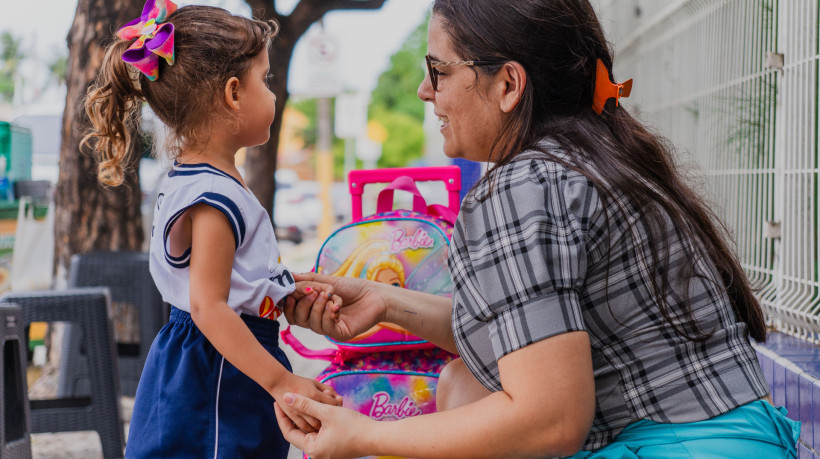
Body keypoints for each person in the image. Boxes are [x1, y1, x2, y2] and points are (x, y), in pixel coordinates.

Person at [274, 0, 802, 458]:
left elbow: (551, 419)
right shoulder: (596, 157)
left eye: (437, 71)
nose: (423, 91)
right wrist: (384, 304)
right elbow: (531, 333)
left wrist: (365, 434)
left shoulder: (519, 188)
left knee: (466, 389)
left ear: (508, 84)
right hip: (748, 438)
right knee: (464, 381)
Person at [81, 1, 343, 456]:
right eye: (267, 80)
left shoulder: (195, 179)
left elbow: (223, 285)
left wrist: (279, 290)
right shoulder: (213, 199)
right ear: (234, 94)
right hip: (219, 369)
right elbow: (208, 305)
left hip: (212, 359)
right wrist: (282, 381)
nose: (274, 94)